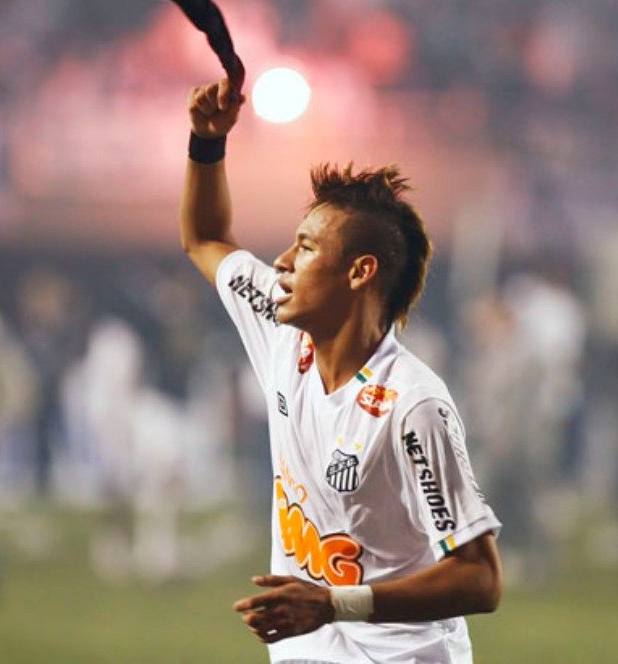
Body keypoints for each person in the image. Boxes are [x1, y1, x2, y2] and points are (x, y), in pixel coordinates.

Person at [181, 79, 502, 663]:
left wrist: (333, 603)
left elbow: (479, 579)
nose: (281, 261)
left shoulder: (412, 404)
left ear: (359, 272)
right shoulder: (280, 328)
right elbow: (204, 237)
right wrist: (207, 142)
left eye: (304, 248)